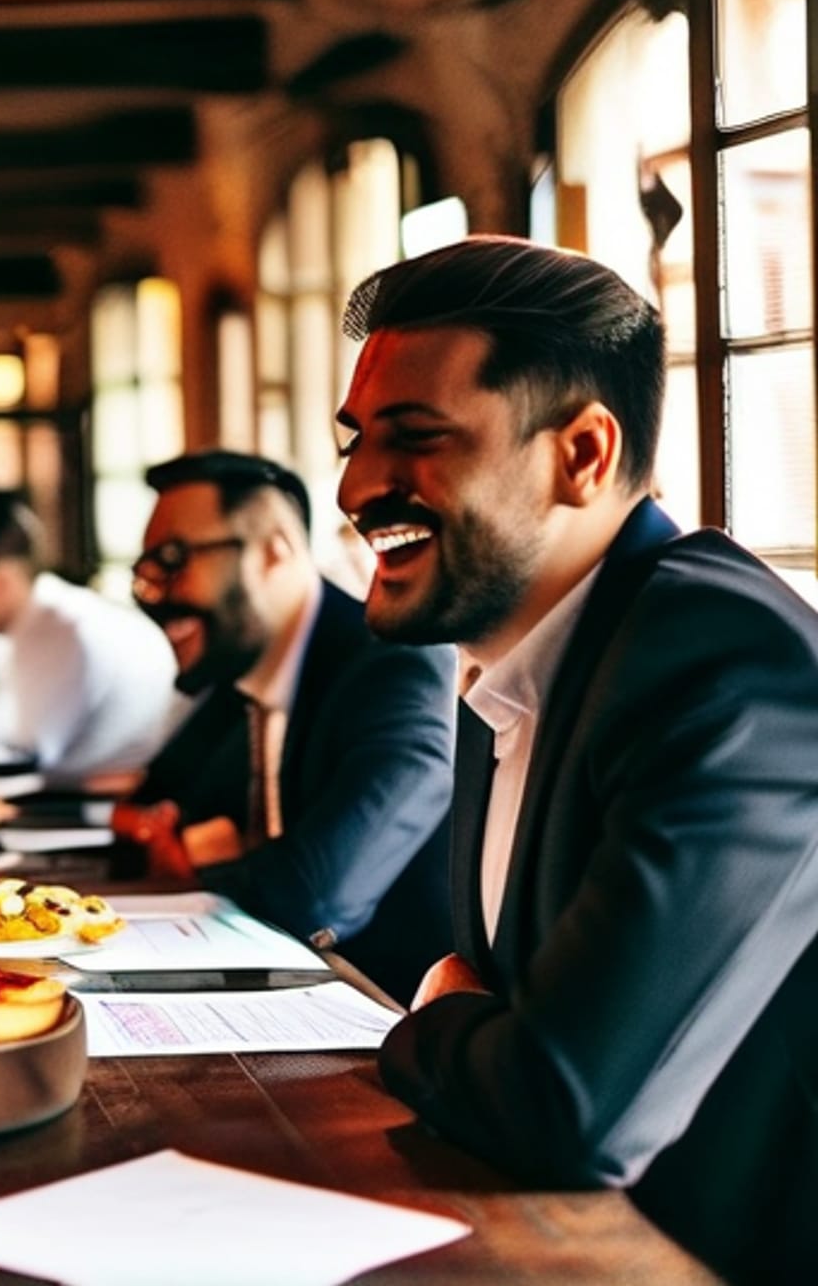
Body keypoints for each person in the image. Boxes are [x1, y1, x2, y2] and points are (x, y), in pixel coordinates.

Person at [335, 236, 818, 1279]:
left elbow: (566, 1106)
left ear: (582, 455)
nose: (358, 487)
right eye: (356, 440)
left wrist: (439, 1021)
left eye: (413, 438)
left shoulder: (726, 668)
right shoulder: (513, 661)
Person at [117, 450, 457, 1002]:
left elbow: (315, 897)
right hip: (278, 998)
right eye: (147, 571)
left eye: (175, 559)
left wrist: (206, 860)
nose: (155, 594)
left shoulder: (395, 666)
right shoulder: (245, 675)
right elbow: (153, 801)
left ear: (275, 552)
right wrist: (206, 848)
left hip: (390, 1018)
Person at [0, 491, 180, 779]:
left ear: (0, 583)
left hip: (105, 811)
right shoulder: (30, 630)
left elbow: (27, 760)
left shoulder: (67, 634)